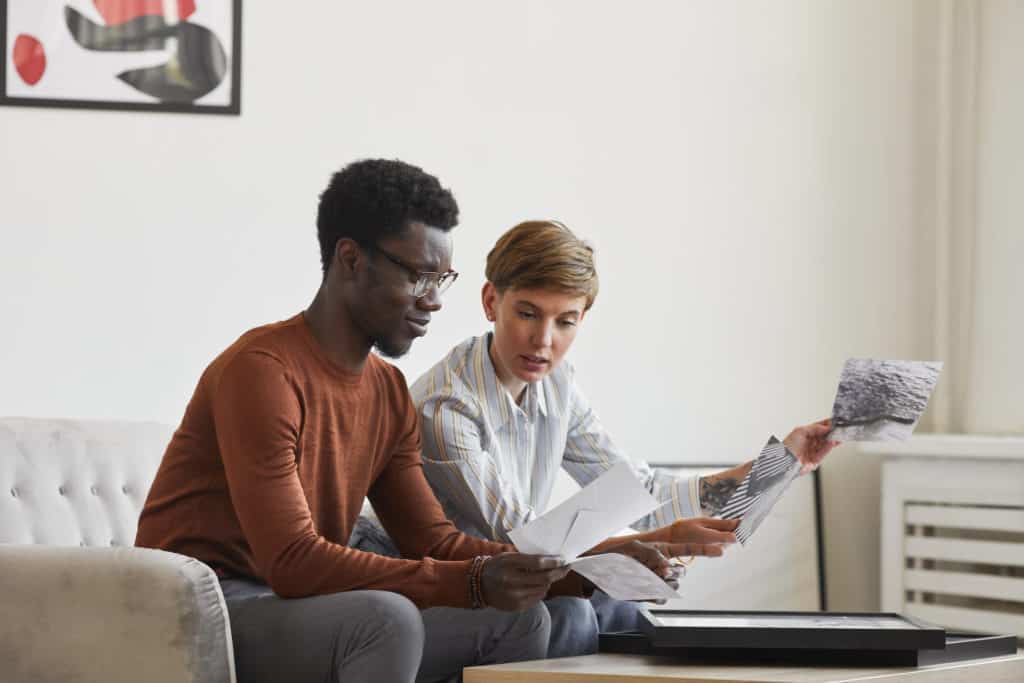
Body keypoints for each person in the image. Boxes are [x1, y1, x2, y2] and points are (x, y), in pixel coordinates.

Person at [134, 165, 687, 683]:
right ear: (350, 259)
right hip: (205, 608)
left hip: (292, 605)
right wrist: (471, 582)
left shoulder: (386, 390)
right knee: (386, 619)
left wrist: (591, 567)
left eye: (441, 279)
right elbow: (293, 561)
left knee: (522, 621)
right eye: (419, 277)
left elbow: (436, 542)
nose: (435, 301)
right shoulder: (263, 373)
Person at [351, 219, 838, 658]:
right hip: (437, 589)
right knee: (579, 611)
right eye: (528, 313)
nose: (544, 340)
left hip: (513, 576)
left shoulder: (557, 385)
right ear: (490, 302)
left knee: (633, 616)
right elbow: (523, 541)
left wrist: (781, 462)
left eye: (565, 321)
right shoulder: (446, 407)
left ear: (582, 319)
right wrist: (659, 543)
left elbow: (638, 491)